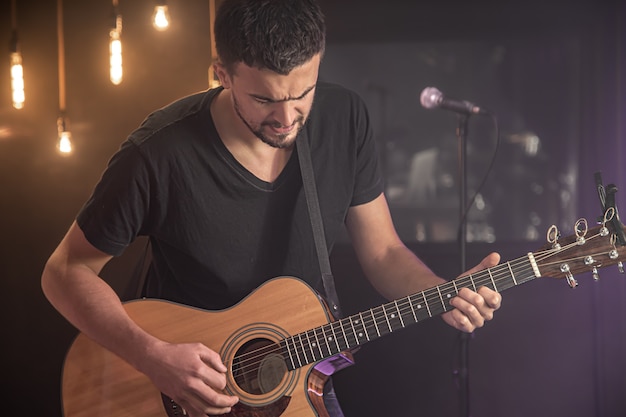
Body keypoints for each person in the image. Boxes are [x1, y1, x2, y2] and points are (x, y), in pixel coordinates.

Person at [41, 0, 502, 416]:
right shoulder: (158, 152)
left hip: (297, 380)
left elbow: (383, 252)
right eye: (263, 98)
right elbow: (66, 271)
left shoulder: (345, 119)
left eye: (303, 93)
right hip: (179, 393)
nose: (286, 119)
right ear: (222, 74)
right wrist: (151, 356)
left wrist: (442, 292)